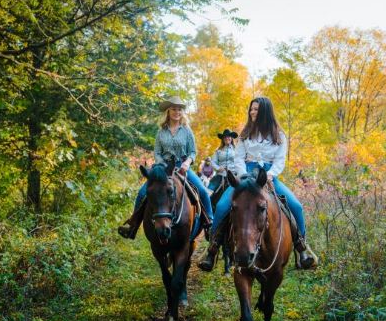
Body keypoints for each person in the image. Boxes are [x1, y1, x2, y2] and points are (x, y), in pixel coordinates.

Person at [198, 97, 317, 271]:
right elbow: (238, 157)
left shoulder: (279, 135)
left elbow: (280, 160)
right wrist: (243, 175)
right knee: (223, 205)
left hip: (269, 176)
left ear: (266, 112)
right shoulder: (245, 134)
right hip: (246, 176)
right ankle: (212, 250)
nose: (252, 112)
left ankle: (302, 249)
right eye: (251, 109)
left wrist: (270, 174)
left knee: (296, 207)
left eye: (256, 109)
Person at [118, 96, 214, 239]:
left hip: (182, 166)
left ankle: (209, 223)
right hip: (163, 167)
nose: (177, 112)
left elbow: (193, 152)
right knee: (142, 192)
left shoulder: (187, 131)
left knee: (202, 191)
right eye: (174, 109)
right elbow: (157, 152)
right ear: (168, 112)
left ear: (182, 112)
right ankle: (133, 226)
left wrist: (187, 163)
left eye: (179, 109)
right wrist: (161, 164)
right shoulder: (161, 132)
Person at [208, 128, 238, 193]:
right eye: (225, 137)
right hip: (220, 175)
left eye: (229, 136)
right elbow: (212, 162)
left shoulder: (236, 150)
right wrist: (218, 168)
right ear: (223, 139)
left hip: (234, 175)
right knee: (208, 191)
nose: (227, 138)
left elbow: (240, 160)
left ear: (231, 138)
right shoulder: (218, 151)